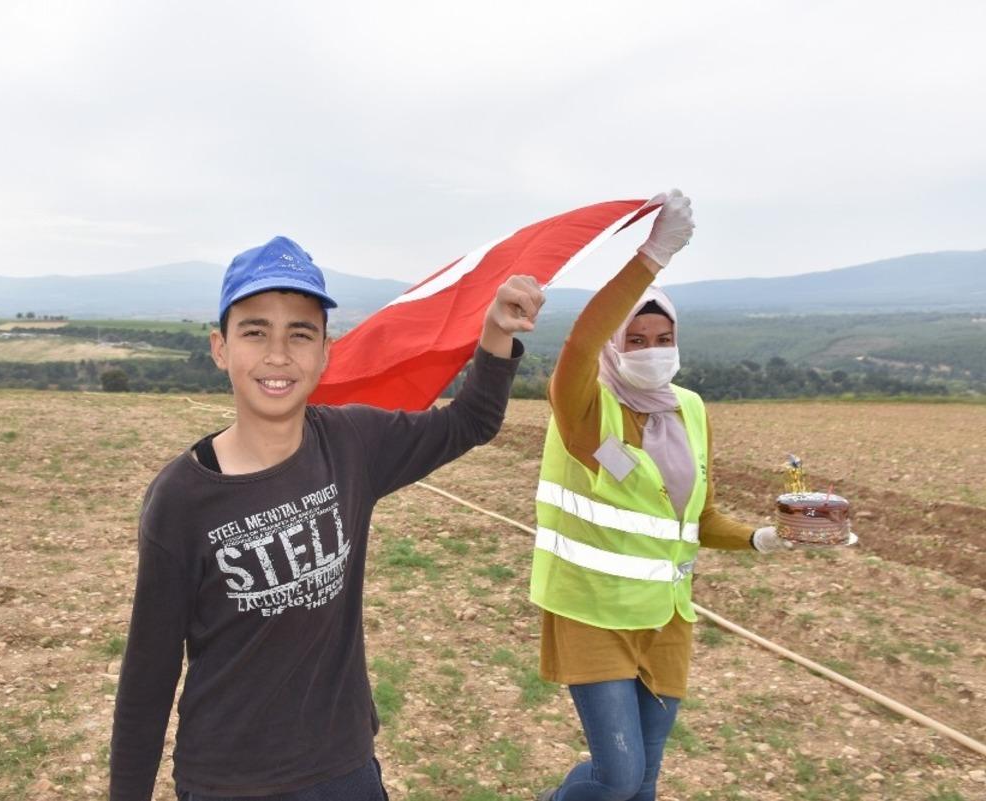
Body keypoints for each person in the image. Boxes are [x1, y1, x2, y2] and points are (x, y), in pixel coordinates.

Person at [109, 235, 545, 801]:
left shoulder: (351, 443)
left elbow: (471, 423)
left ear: (325, 350)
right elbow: (149, 674)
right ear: (220, 348)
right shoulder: (181, 499)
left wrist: (495, 332)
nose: (278, 354)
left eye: (300, 333)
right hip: (229, 780)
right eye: (255, 331)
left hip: (343, 768)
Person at [531, 191, 790, 801]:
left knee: (643, 785)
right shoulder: (587, 409)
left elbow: (696, 517)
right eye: (637, 339)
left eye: (663, 336)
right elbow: (578, 345)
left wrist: (760, 538)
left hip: (668, 618)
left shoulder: (691, 410)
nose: (652, 351)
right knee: (616, 779)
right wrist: (653, 256)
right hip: (593, 611)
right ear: (617, 348)